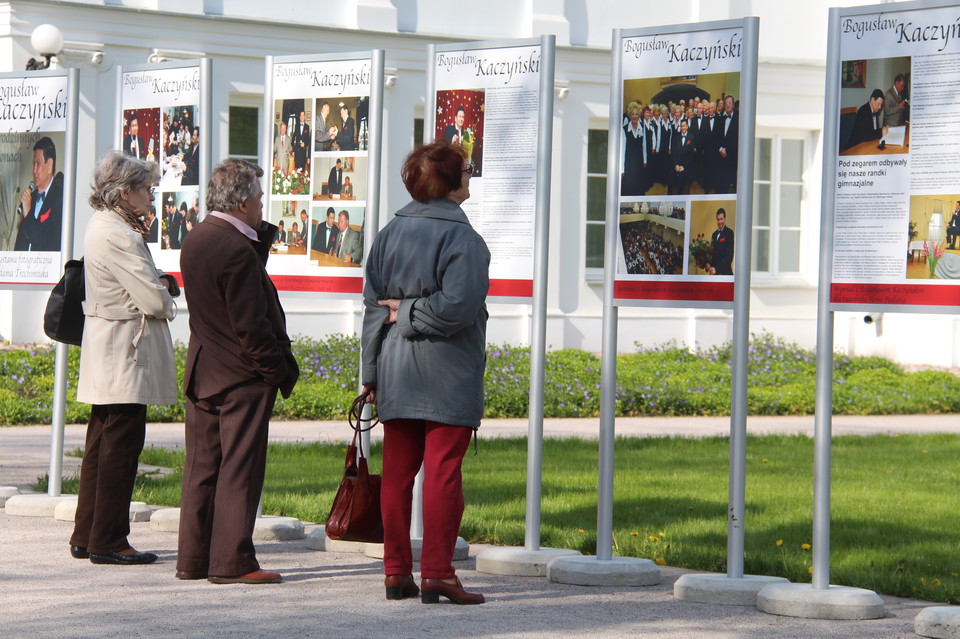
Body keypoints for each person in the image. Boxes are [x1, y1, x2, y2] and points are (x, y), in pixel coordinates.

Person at [361, 139, 489, 605]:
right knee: (442, 473)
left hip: (395, 366)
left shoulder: (388, 234)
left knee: (397, 473)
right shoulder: (464, 239)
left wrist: (370, 372)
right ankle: (436, 572)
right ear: (451, 182)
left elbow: (374, 310)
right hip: (448, 369)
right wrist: (411, 313)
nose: (470, 177)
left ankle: (396, 572)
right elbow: (457, 308)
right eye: (466, 171)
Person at [177, 158, 299, 585]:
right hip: (241, 374)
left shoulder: (196, 239)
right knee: (239, 469)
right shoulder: (234, 249)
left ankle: (193, 558)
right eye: (260, 198)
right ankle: (232, 562)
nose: (264, 205)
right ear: (244, 202)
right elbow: (252, 324)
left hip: (204, 367)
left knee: (202, 467)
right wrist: (275, 372)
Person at [70, 151, 180, 566]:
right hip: (123, 350)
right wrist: (166, 292)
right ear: (123, 193)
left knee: (101, 443)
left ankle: (88, 534)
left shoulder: (106, 225)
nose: (150, 195)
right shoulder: (120, 232)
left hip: (111, 345)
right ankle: (109, 540)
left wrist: (156, 284)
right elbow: (152, 299)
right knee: (121, 445)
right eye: (145, 188)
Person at [14, 136, 64, 251]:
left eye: (38, 164)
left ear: (50, 165)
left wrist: (29, 214)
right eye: (33, 164)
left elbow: (46, 243)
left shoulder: (60, 198)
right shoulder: (30, 198)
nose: (34, 170)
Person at [706, 208, 734, 276]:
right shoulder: (714, 234)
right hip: (714, 275)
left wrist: (717, 269)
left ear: (725, 218)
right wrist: (708, 264)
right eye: (718, 219)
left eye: (721, 219)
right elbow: (712, 253)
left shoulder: (729, 233)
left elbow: (729, 256)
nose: (720, 222)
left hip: (725, 273)